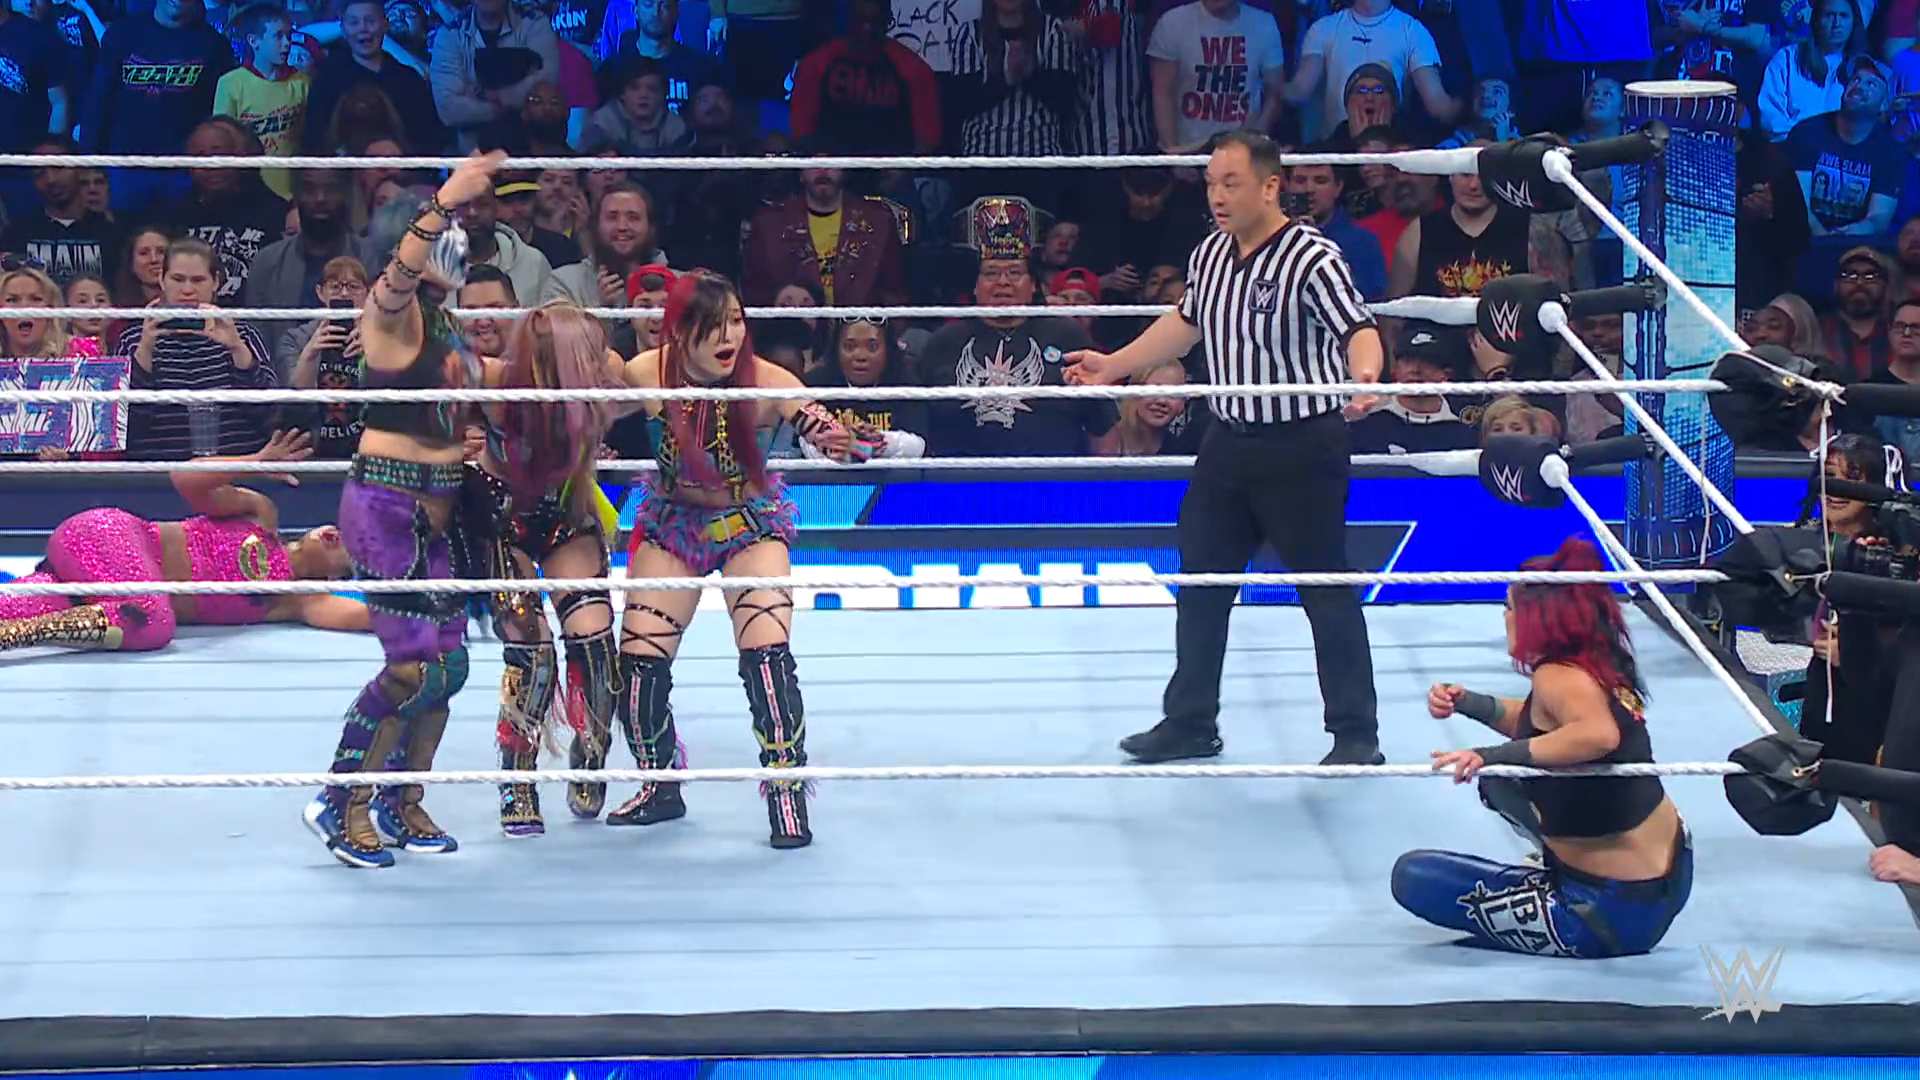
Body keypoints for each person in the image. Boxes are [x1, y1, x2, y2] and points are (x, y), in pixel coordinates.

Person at [1063, 131, 1386, 768]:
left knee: (1324, 588)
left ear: (1270, 187)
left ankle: (1356, 735)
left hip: (1302, 444)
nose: (1217, 196)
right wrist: (1114, 366)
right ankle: (1190, 723)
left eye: (1231, 183)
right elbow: (1185, 325)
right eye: (1211, 183)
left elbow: (1358, 326)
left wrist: (1366, 376)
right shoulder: (1210, 252)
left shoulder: (1312, 257)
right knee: (1202, 583)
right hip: (1227, 443)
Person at [301, 151, 506, 871]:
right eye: (445, 234)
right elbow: (398, 277)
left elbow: (486, 387)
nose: (457, 244)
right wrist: (446, 198)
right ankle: (340, 799)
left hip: (438, 514)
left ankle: (400, 798)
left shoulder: (446, 324)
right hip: (385, 507)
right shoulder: (389, 315)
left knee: (448, 665)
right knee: (411, 665)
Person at [612, 269, 860, 850]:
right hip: (674, 523)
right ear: (680, 332)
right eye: (712, 325)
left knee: (767, 659)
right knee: (638, 670)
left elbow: (816, 420)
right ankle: (659, 784)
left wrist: (838, 439)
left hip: (750, 525)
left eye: (736, 321)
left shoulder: (768, 380)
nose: (728, 336)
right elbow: (583, 409)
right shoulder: (648, 372)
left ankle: (786, 793)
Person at [1392, 538, 1693, 958]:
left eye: (1509, 606)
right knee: (1500, 782)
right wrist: (1470, 703)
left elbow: (1598, 736)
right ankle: (1567, 862)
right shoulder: (1597, 661)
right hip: (1672, 873)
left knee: (1413, 876)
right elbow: (1542, 725)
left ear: (1536, 617)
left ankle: (1566, 883)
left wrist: (1489, 755)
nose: (1504, 616)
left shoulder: (1558, 676)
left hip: (1604, 915)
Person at [464, 297, 628, 838]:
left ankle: (591, 750)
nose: (593, 364)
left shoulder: (608, 376)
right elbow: (417, 374)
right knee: (533, 652)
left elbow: (665, 373)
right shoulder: (492, 381)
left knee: (595, 643)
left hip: (564, 511)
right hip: (497, 514)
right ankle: (517, 776)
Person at [0, 432, 360, 653]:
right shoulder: (260, 516)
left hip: (98, 597)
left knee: (14, 607)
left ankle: (12, 628)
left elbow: (371, 617)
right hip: (107, 534)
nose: (339, 535)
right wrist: (252, 462)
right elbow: (184, 477)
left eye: (350, 548)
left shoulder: (297, 600)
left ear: (332, 580)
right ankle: (17, 636)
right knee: (154, 621)